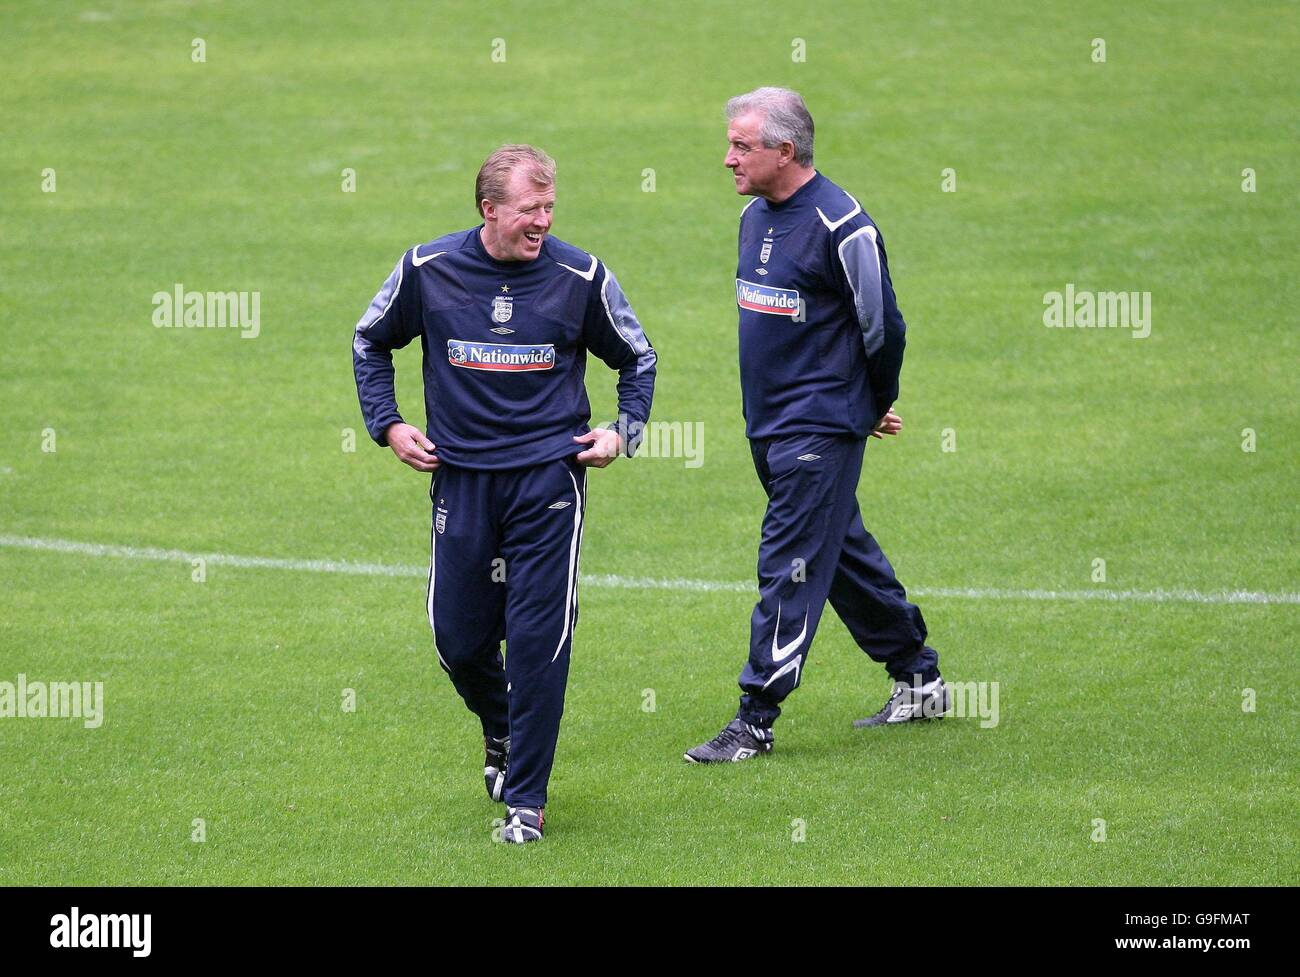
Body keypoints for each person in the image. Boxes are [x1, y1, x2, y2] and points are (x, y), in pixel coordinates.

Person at [353, 145, 656, 839]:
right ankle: (501, 726)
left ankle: (527, 798)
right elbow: (370, 339)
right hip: (460, 480)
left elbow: (637, 355)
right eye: (529, 209)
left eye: (549, 208)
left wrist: (622, 431)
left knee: (537, 640)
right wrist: (389, 425)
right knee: (458, 641)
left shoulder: (580, 276)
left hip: (549, 483)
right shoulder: (429, 270)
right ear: (490, 210)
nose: (542, 221)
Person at [685, 88, 949, 764]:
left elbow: (883, 326)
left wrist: (866, 401)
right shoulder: (753, 217)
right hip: (768, 425)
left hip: (817, 428)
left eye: (742, 146)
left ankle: (754, 717)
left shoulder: (842, 224)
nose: (728, 158)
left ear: (786, 149)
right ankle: (919, 677)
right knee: (840, 552)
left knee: (790, 563)